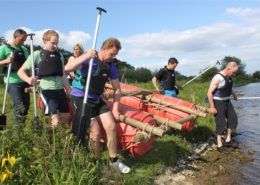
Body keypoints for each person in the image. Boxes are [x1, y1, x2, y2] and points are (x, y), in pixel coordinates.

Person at [65, 37, 131, 174]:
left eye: (115, 55)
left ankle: (114, 161)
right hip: (80, 97)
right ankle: (96, 161)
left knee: (111, 126)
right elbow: (68, 68)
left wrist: (115, 107)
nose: (113, 57)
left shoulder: (111, 65)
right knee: (95, 130)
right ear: (104, 49)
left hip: (96, 98)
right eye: (111, 54)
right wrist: (86, 55)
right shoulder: (90, 58)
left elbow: (117, 89)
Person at [18, 30, 71, 127]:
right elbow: (20, 71)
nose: (55, 46)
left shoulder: (60, 56)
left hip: (60, 90)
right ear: (45, 41)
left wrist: (68, 89)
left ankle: (58, 138)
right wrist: (28, 79)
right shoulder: (37, 54)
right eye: (53, 43)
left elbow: (63, 74)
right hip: (47, 91)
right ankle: (52, 141)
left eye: (57, 43)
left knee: (65, 117)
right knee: (55, 119)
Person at [207, 61, 239, 154]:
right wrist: (212, 107)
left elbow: (229, 87)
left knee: (233, 118)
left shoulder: (229, 76)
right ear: (228, 68)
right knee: (221, 122)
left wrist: (234, 95)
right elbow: (209, 93)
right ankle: (219, 145)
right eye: (233, 72)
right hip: (218, 102)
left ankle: (228, 139)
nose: (234, 74)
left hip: (227, 101)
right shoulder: (217, 78)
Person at [0, 29, 30, 125]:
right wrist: (5, 61)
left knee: (26, 106)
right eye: (21, 40)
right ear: (14, 37)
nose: (23, 42)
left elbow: (27, 65)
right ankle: (18, 131)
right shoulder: (4, 48)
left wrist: (30, 78)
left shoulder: (24, 49)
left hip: (24, 80)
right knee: (19, 106)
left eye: (24, 40)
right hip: (12, 81)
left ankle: (21, 127)